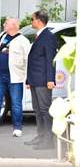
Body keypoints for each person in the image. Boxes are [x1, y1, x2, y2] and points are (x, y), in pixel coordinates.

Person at [0, 18, 30, 137]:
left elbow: (27, 59)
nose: (4, 24)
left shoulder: (23, 40)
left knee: (16, 103)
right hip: (0, 74)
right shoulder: (2, 35)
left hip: (15, 76)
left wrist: (28, 77)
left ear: (13, 25)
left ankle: (17, 127)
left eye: (6, 23)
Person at [24, 10, 58, 150]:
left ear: (38, 20)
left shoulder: (48, 36)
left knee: (45, 110)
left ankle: (48, 141)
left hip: (44, 80)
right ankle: (41, 136)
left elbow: (51, 60)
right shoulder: (39, 36)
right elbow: (34, 59)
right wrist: (28, 80)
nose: (31, 22)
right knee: (37, 110)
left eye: (32, 19)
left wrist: (51, 79)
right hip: (34, 79)